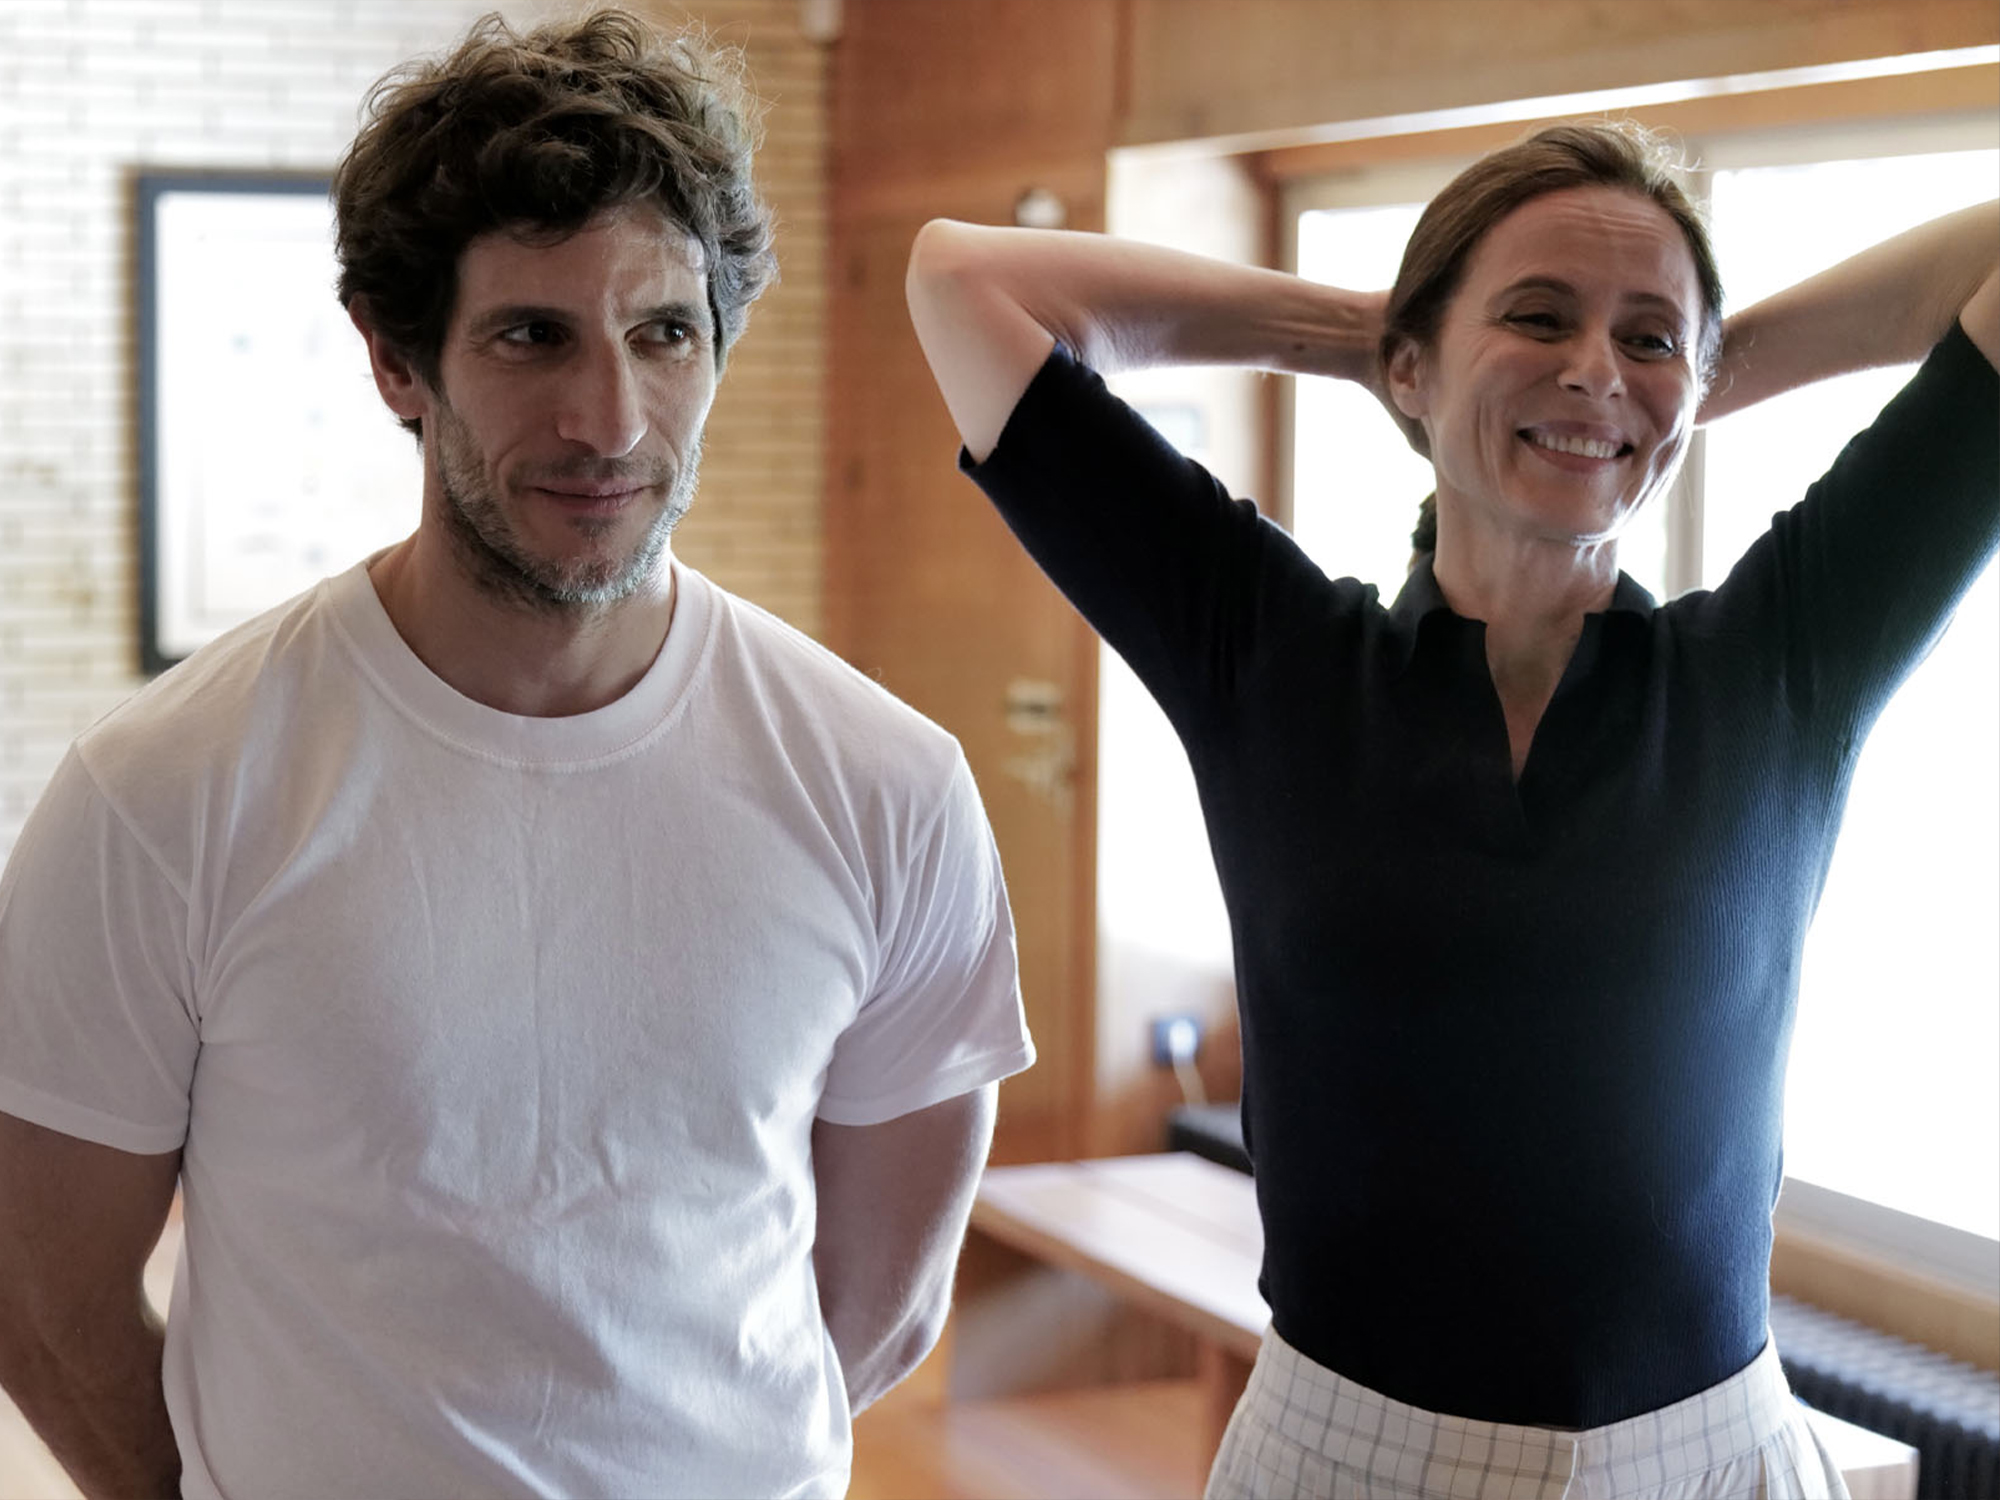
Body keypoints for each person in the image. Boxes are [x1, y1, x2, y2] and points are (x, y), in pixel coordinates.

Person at [0, 11, 1032, 1498]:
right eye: (533, 335)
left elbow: (881, 1307)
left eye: (664, 333)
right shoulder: (166, 789)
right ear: (397, 361)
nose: (609, 420)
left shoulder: (889, 785)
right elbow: (45, 1295)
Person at [907, 120, 1996, 1499]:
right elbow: (963, 284)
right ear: (1409, 367)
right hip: (1347, 1453)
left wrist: (1692, 370)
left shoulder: (1788, 656)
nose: (1594, 364)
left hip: (1707, 1459)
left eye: (1646, 336)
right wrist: (1366, 335)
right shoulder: (1266, 648)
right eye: (1537, 315)